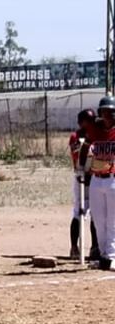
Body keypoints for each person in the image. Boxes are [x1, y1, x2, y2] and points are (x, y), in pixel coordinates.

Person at [78, 96, 115, 271]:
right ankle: (103, 254)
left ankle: (112, 256)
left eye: (110, 111)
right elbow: (85, 147)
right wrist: (81, 168)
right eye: (104, 111)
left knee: (112, 221)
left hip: (113, 179)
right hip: (96, 180)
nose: (107, 115)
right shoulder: (94, 129)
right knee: (99, 220)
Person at [70, 109, 100, 260]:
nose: (93, 122)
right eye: (89, 120)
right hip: (80, 177)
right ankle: (74, 247)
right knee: (79, 212)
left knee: (96, 213)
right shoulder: (76, 137)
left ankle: (95, 247)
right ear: (81, 122)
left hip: (95, 177)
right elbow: (77, 156)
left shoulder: (97, 133)